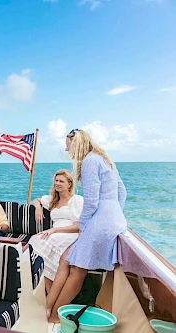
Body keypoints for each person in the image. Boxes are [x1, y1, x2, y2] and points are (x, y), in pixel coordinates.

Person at [46, 129, 127, 322]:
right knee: (68, 258)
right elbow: (122, 191)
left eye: (68, 146)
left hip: (100, 221)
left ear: (76, 144)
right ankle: (50, 307)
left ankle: (54, 317)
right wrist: (114, 214)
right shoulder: (105, 159)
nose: (68, 151)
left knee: (77, 269)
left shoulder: (90, 161)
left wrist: (83, 225)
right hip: (113, 219)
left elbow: (91, 201)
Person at [28, 169, 83, 294]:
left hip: (69, 233)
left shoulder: (76, 200)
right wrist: (38, 209)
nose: (57, 183)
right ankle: (48, 292)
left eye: (61, 181)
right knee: (35, 240)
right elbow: (36, 200)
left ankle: (50, 294)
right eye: (56, 181)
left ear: (69, 184)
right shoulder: (53, 199)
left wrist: (54, 230)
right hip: (55, 233)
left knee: (45, 241)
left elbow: (78, 226)